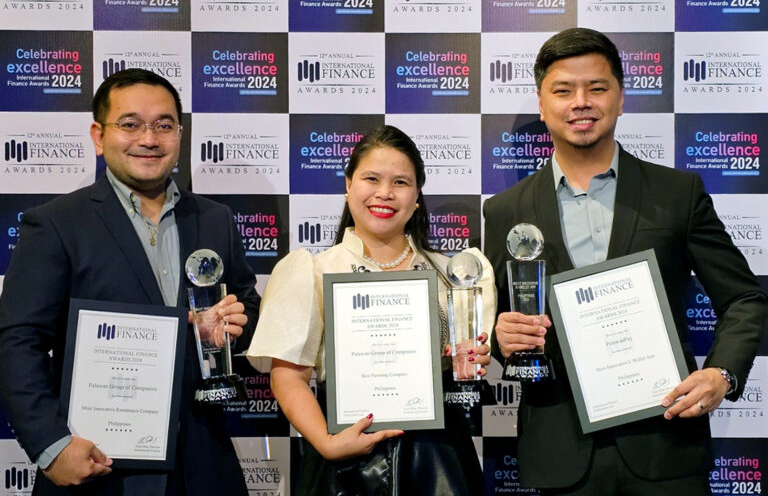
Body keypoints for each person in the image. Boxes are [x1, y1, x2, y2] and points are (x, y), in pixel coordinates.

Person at [483, 28, 767, 495]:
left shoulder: (678, 194)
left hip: (666, 443)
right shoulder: (504, 211)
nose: (581, 102)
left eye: (596, 88)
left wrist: (724, 373)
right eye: (563, 90)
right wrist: (500, 337)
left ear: (620, 98)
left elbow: (744, 297)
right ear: (541, 104)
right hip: (560, 455)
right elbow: (491, 328)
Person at [0, 69, 261, 496]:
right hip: (99, 465)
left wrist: (233, 325)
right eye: (130, 124)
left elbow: (246, 310)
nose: (149, 138)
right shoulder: (55, 224)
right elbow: (17, 342)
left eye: (164, 125)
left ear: (179, 133)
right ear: (99, 136)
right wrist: (51, 446)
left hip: (202, 464)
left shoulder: (215, 220)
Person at [247, 125, 497, 495]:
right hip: (342, 457)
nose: (385, 193)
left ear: (416, 197)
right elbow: (289, 377)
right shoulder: (314, 271)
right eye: (371, 178)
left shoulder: (454, 274)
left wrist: (471, 356)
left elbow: (467, 363)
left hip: (438, 460)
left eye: (400, 182)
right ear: (349, 185)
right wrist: (328, 443)